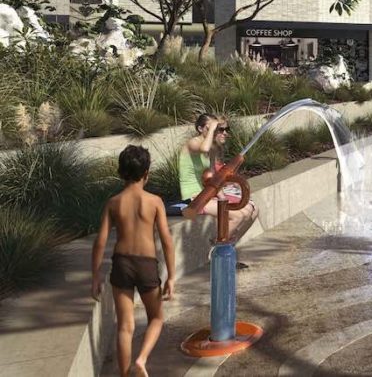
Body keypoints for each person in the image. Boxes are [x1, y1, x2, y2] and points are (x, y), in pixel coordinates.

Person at [91, 145, 175, 377]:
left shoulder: (114, 202)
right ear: (147, 173)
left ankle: (125, 375)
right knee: (156, 317)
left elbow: (100, 241)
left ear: (120, 172)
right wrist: (172, 277)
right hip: (146, 264)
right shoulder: (155, 201)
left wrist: (95, 275)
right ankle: (141, 359)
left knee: (125, 326)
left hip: (122, 263)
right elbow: (167, 240)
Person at [179, 113, 258, 246]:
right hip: (193, 199)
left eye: (224, 129)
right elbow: (203, 148)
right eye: (217, 129)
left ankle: (229, 247)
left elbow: (214, 178)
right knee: (238, 215)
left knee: (252, 211)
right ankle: (216, 249)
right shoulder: (193, 143)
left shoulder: (212, 150)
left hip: (208, 195)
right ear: (200, 129)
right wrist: (214, 126)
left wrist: (223, 197)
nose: (222, 132)